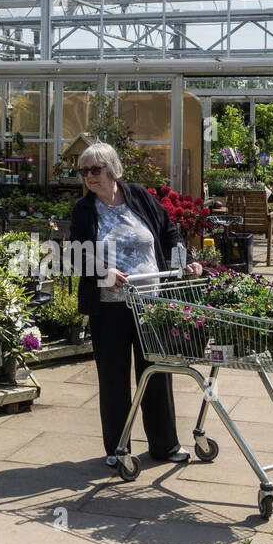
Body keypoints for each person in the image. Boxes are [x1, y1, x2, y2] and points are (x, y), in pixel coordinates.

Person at [68, 143, 204, 467]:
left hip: (151, 304)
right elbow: (75, 253)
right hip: (110, 307)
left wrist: (186, 263)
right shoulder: (84, 210)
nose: (89, 176)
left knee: (157, 374)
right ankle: (118, 450)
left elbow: (169, 233)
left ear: (112, 169)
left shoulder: (139, 196)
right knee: (114, 381)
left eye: (95, 169)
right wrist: (104, 271)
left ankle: (165, 446)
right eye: (84, 171)